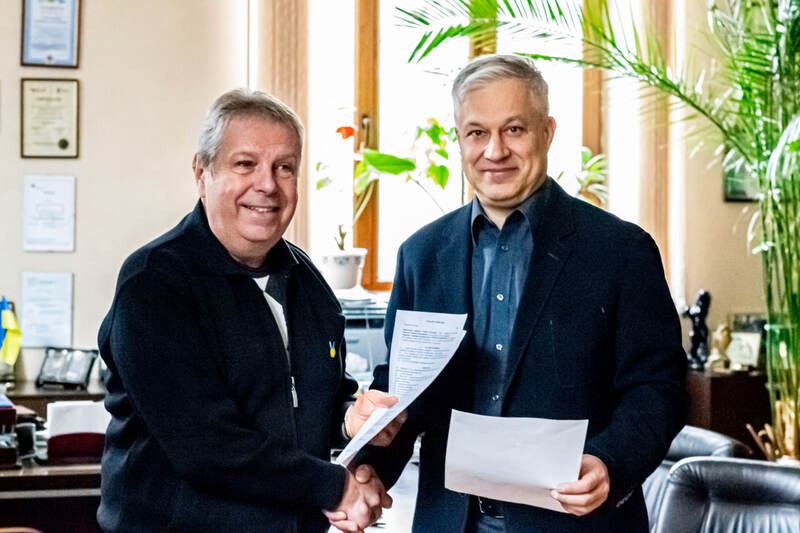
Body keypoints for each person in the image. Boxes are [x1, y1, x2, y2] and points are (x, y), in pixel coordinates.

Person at [358, 55, 689, 532]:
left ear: (547, 132)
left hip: (574, 523)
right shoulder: (421, 255)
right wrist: (370, 471)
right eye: (477, 132)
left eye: (514, 129)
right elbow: (405, 393)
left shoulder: (621, 251)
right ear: (459, 140)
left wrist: (610, 462)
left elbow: (659, 389)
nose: (495, 151)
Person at [97, 88, 396, 532]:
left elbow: (315, 397)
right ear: (202, 173)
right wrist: (334, 487)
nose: (267, 185)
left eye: (284, 167)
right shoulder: (155, 283)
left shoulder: (309, 284)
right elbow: (206, 447)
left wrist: (351, 419)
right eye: (245, 164)